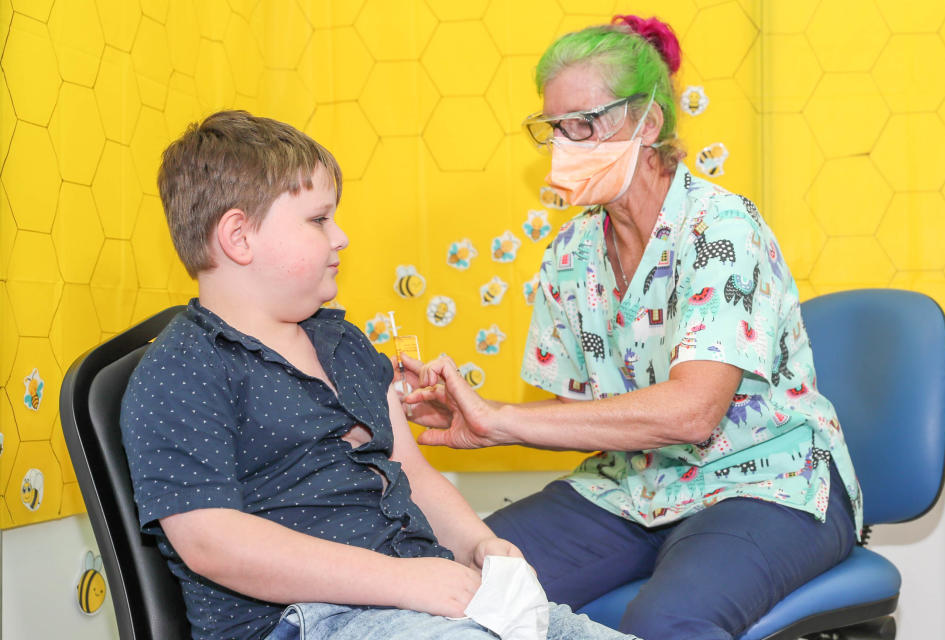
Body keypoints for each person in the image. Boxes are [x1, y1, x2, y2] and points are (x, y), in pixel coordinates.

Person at [400, 15, 863, 640]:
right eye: (554, 127)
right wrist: (468, 418)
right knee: (441, 579)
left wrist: (500, 418)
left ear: (647, 124)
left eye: (586, 123)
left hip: (770, 481)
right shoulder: (568, 255)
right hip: (632, 488)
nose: (566, 143)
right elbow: (577, 416)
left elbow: (695, 413)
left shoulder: (720, 227)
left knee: (670, 622)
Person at [119, 110, 638, 640]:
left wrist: (478, 545)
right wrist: (405, 581)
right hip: (304, 618)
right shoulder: (181, 372)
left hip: (415, 597)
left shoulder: (345, 344)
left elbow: (409, 471)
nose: (341, 237)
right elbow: (212, 542)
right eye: (319, 220)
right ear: (239, 237)